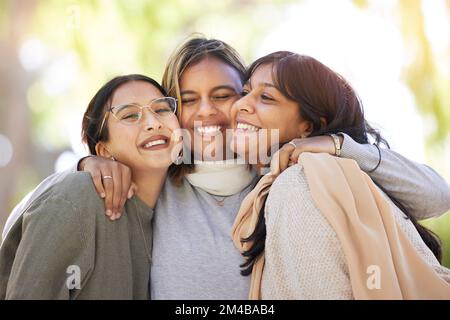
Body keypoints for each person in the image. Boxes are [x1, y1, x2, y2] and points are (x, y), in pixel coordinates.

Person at [3, 37, 450, 300]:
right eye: (189, 100)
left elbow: (435, 196)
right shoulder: (159, 184)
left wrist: (336, 146)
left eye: (223, 95)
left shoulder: (287, 176)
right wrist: (90, 162)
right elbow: (46, 212)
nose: (207, 114)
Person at [230, 51, 450, 299]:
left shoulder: (299, 183)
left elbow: (440, 196)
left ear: (308, 127)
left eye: (266, 97)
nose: (242, 104)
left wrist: (340, 146)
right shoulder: (282, 187)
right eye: (244, 92)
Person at [0, 74, 181, 299]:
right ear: (104, 151)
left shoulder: (177, 213)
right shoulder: (78, 198)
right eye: (130, 114)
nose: (154, 123)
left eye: (162, 109)